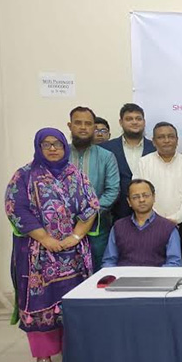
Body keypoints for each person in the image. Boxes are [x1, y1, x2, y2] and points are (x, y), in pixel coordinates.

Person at [5, 128, 99, 362]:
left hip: (73, 252)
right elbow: (16, 208)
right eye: (46, 144)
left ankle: (73, 350)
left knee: (74, 302)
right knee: (40, 303)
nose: (53, 148)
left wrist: (75, 236)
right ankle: (43, 355)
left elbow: (91, 206)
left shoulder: (77, 174)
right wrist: (45, 238)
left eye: (57, 143)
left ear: (65, 146)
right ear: (38, 147)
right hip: (37, 253)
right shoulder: (24, 175)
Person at [67, 106, 120, 271]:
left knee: (99, 271)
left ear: (93, 127)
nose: (83, 127)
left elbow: (112, 190)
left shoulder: (106, 156)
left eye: (88, 124)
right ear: (70, 126)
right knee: (68, 271)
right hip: (64, 225)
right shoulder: (60, 155)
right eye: (78, 123)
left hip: (97, 225)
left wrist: (88, 214)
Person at [136, 122, 182, 261]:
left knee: (178, 264)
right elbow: (139, 195)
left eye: (170, 136)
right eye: (161, 137)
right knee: (151, 264)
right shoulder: (143, 163)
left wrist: (173, 220)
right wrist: (156, 220)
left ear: (177, 140)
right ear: (153, 141)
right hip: (149, 225)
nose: (166, 140)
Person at [103, 179, 182, 267]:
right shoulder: (118, 227)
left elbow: (174, 264)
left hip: (157, 275)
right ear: (129, 201)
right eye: (135, 197)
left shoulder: (168, 228)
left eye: (146, 195)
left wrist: (152, 274)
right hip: (124, 275)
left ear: (154, 197)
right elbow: (109, 262)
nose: (141, 200)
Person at [100, 103, 156, 220]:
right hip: (114, 213)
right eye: (129, 119)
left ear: (144, 122)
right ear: (121, 122)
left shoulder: (155, 148)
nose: (134, 122)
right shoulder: (106, 149)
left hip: (150, 213)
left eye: (138, 119)